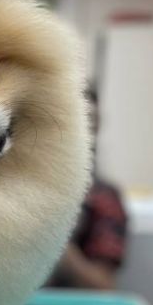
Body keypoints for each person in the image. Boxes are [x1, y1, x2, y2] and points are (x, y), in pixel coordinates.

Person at [49, 86, 128, 290]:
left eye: (88, 120)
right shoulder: (20, 184)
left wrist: (56, 247)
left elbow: (104, 285)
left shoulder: (104, 198)